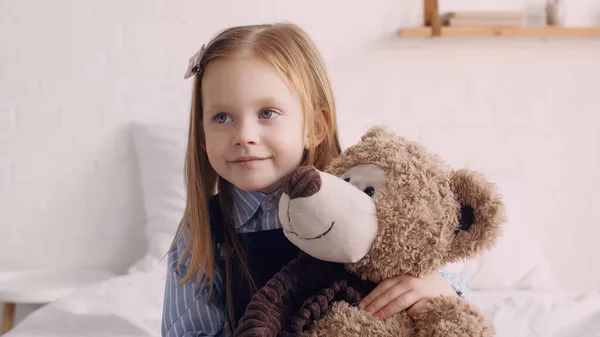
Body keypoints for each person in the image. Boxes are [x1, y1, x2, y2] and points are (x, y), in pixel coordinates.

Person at [162, 22, 470, 337]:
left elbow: (439, 277)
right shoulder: (202, 232)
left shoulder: (367, 201)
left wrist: (439, 289)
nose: (244, 136)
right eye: (222, 118)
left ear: (315, 127)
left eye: (267, 113)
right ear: (202, 135)